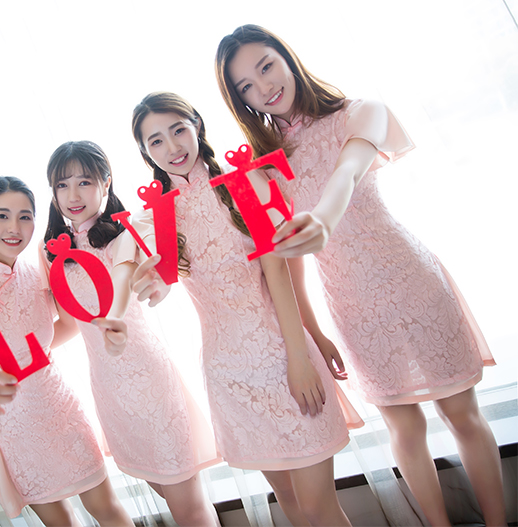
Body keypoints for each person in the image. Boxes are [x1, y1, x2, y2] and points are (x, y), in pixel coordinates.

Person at [214, 24, 504, 527]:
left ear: (287, 58)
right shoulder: (260, 167)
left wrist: (323, 220)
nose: (264, 87)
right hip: (353, 308)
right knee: (404, 429)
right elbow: (286, 263)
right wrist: (314, 332)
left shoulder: (360, 111)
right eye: (246, 86)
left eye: (266, 66)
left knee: (462, 414)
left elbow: (348, 171)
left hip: (413, 281)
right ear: (240, 101)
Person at [130, 92, 361, 527]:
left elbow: (279, 275)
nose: (173, 147)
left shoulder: (242, 183)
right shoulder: (159, 217)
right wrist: (154, 285)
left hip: (284, 359)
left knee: (319, 506)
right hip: (229, 377)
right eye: (156, 140)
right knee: (287, 498)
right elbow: (163, 279)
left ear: (197, 126)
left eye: (179, 130)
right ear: (145, 152)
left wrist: (301, 356)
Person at [42, 140, 222, 526]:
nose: (73, 195)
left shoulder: (126, 233)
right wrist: (16, 356)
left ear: (106, 183)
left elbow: (151, 272)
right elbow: (70, 325)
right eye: (62, 185)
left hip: (149, 381)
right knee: (164, 490)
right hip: (109, 390)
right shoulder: (53, 255)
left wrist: (155, 282)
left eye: (84, 182)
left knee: (188, 507)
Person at [0, 176, 133, 527]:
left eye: (25, 217)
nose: (14, 228)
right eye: (2, 216)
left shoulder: (37, 272)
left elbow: (68, 325)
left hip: (61, 408)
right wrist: (1, 365)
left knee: (108, 509)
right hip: (18, 426)